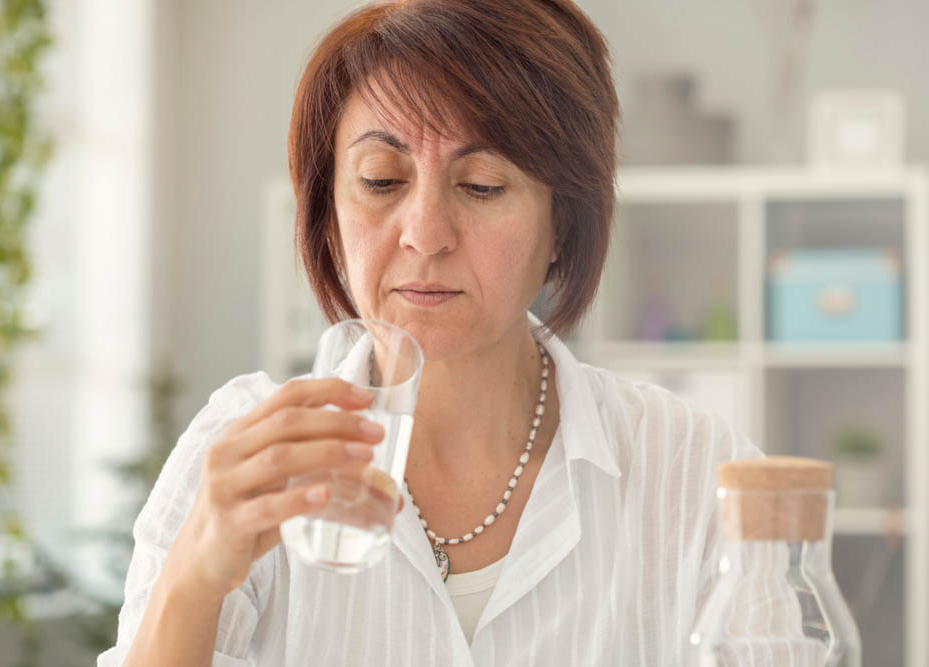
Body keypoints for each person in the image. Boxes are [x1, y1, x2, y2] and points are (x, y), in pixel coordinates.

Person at [98, 1, 760, 665]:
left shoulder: (701, 478)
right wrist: (194, 578)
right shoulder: (241, 452)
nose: (425, 232)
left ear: (564, 223)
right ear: (327, 213)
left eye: (481, 184)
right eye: (381, 180)